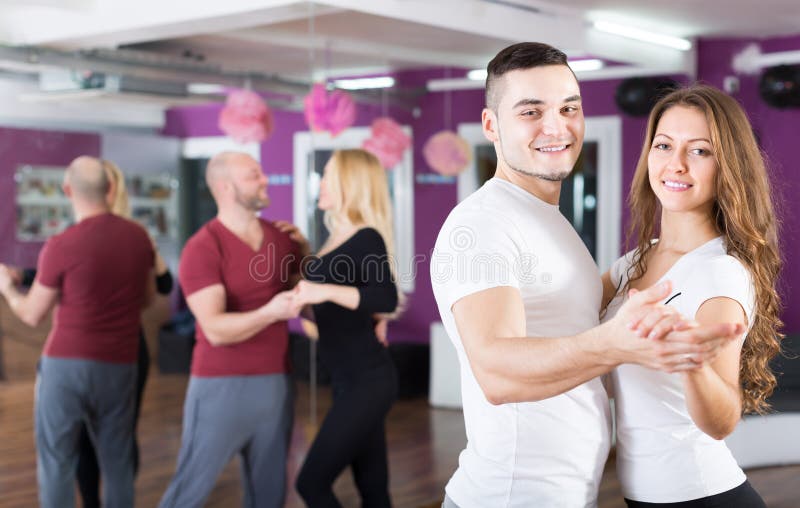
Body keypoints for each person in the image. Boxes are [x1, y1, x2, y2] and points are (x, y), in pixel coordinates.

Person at [429, 42, 744, 508]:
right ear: (491, 125)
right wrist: (617, 343)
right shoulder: (482, 224)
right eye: (531, 111)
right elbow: (495, 372)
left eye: (568, 108)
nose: (555, 126)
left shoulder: (548, 221)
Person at [602, 84, 781, 507]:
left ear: (728, 167)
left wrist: (692, 363)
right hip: (644, 494)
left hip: (701, 496)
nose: (675, 164)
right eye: (664, 145)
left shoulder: (719, 274)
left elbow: (722, 422)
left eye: (700, 151)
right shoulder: (637, 261)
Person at [0, 156, 155, 508]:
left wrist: (7, 290)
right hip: (120, 364)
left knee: (57, 461)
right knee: (117, 460)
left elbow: (32, 314)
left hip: (66, 366)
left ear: (67, 191)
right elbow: (146, 299)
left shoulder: (61, 245)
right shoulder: (139, 237)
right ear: (111, 188)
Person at [159, 151, 302, 508]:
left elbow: (308, 300)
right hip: (220, 385)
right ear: (225, 187)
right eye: (254, 174)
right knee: (189, 490)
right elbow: (216, 329)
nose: (265, 179)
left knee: (269, 495)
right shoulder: (203, 247)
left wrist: (309, 253)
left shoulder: (283, 240)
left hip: (276, 382)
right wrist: (270, 312)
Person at [287, 148, 400, 507]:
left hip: (367, 381)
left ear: (351, 184)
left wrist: (321, 289)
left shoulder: (367, 237)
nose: (320, 183)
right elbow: (331, 312)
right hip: (347, 379)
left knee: (311, 483)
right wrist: (303, 299)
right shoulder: (334, 239)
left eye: (329, 175)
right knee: (373, 488)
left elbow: (385, 299)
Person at [75, 160, 174, 508]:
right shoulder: (79, 234)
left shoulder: (136, 236)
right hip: (86, 350)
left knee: (119, 435)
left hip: (125, 349)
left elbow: (165, 284)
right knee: (83, 438)